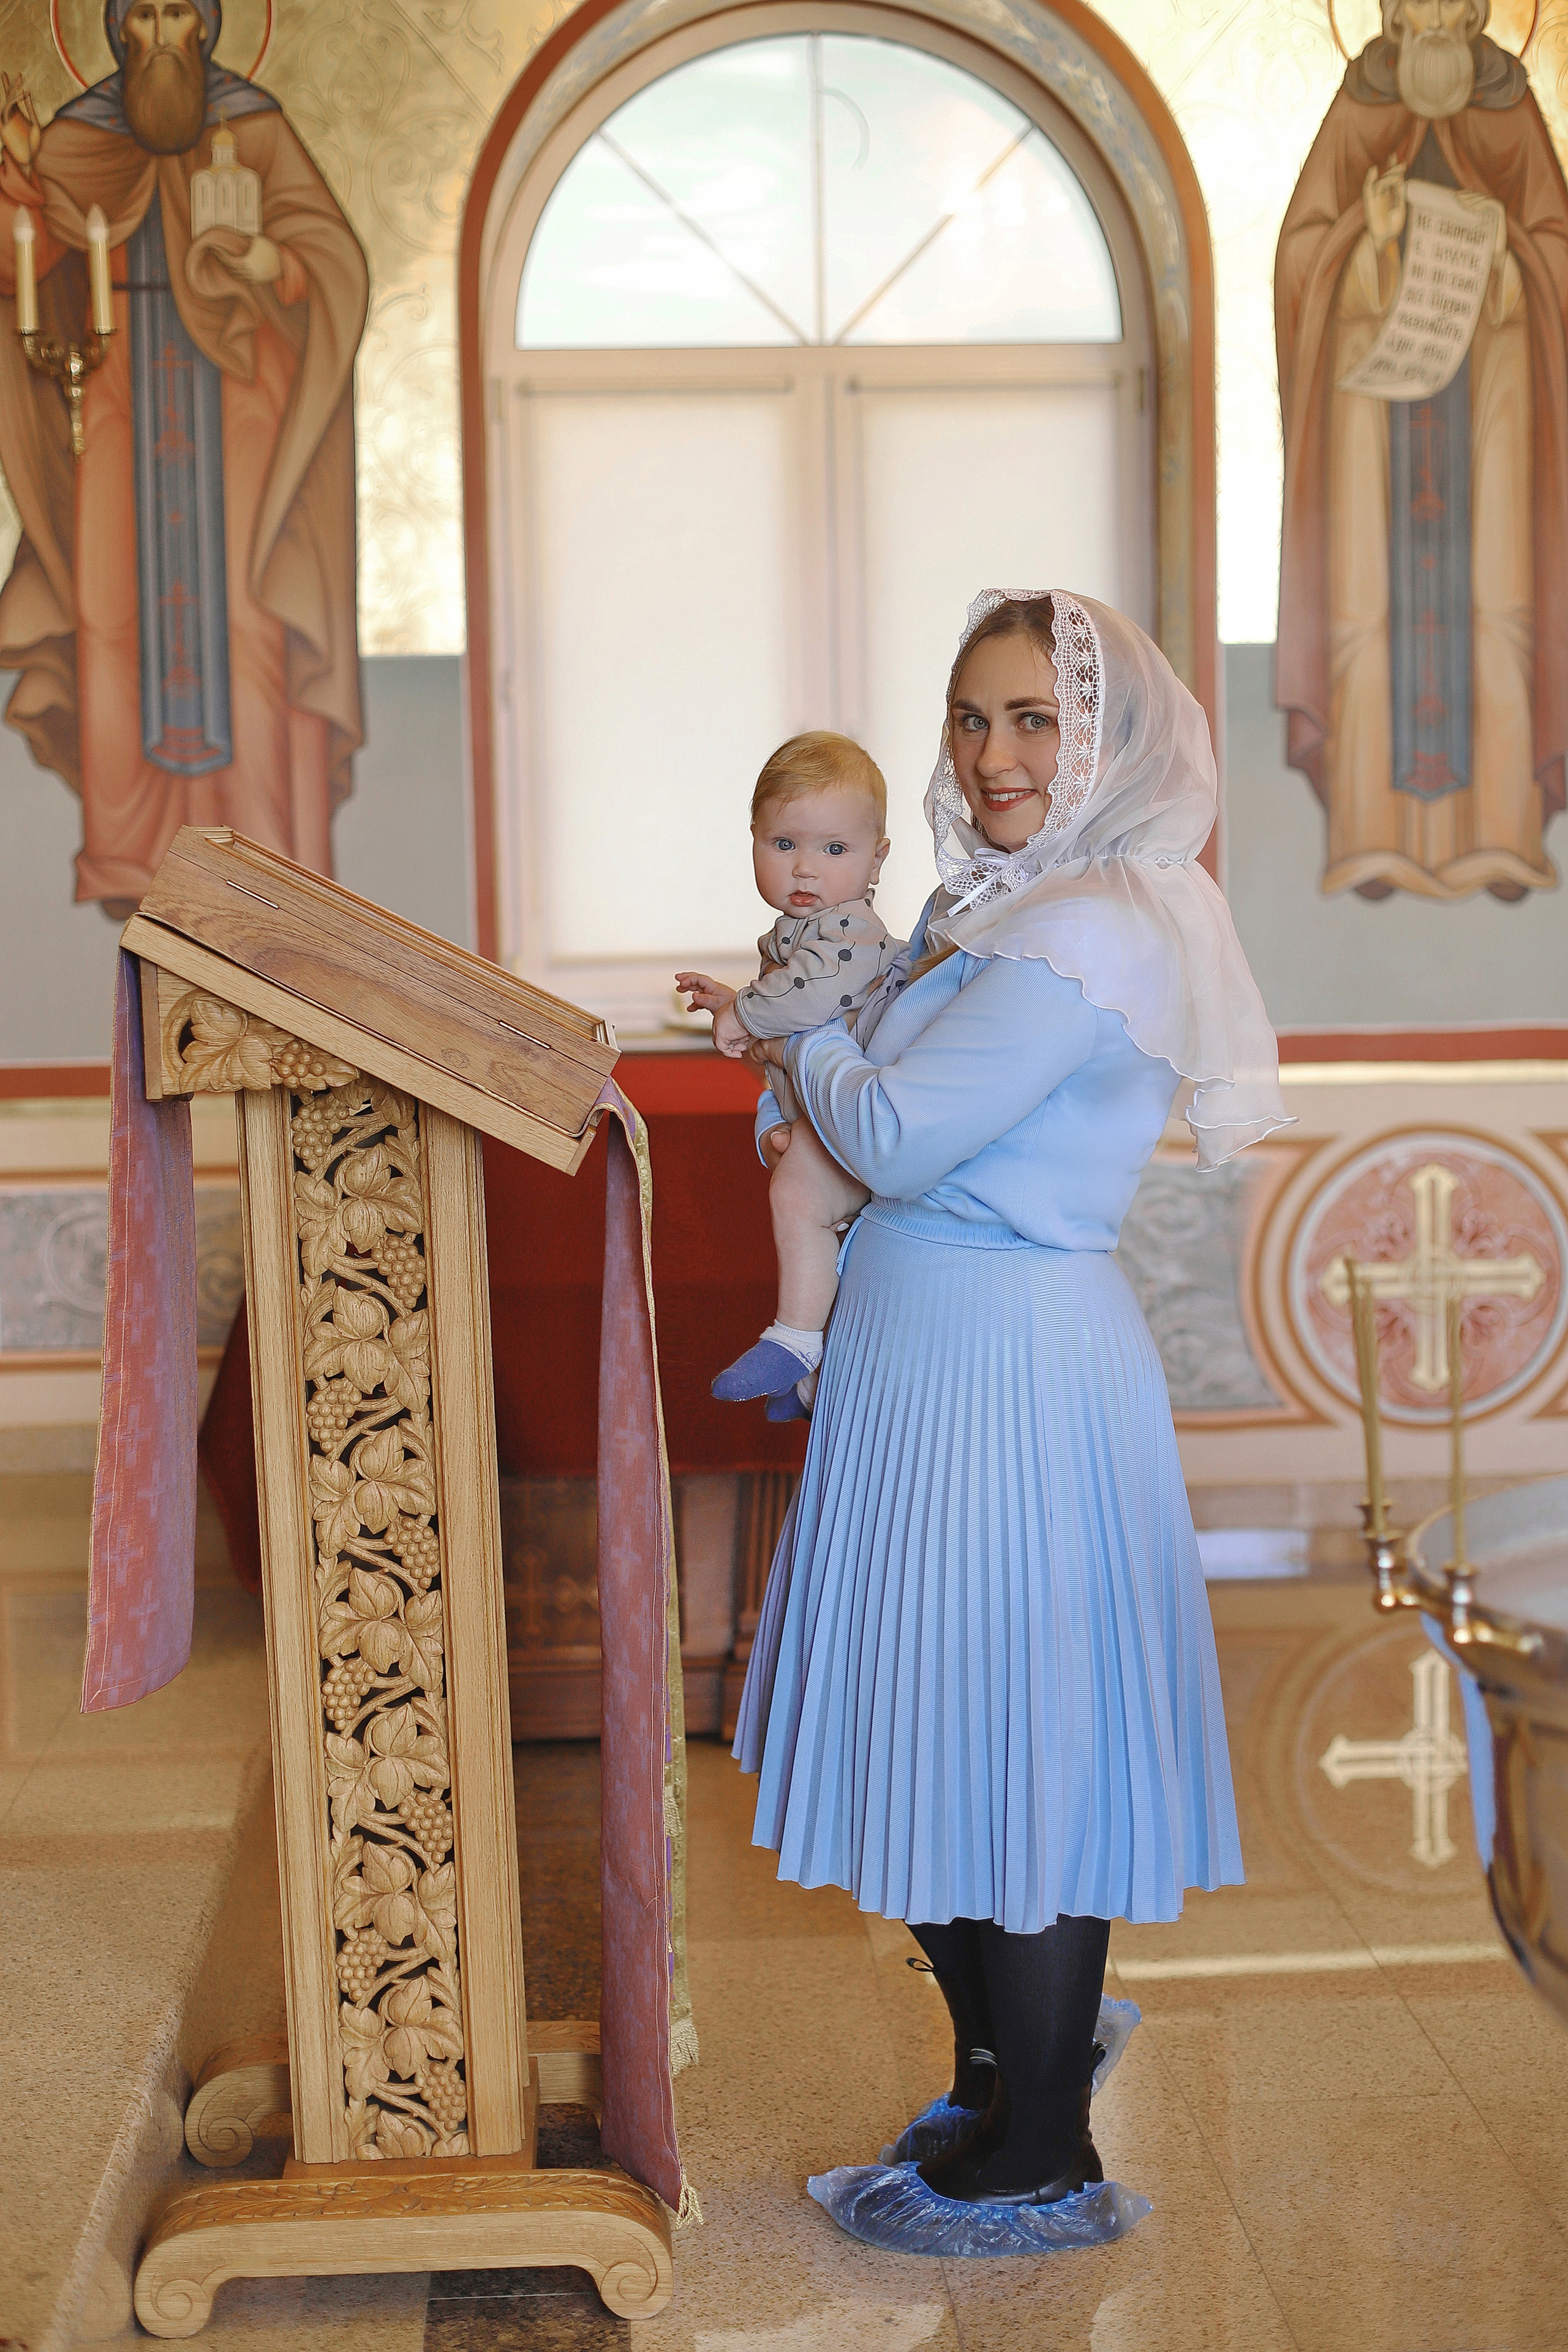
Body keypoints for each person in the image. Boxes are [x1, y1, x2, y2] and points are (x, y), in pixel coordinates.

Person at [732, 591, 1291, 2222]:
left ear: (1106, 737)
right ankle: (994, 2083)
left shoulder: (1102, 922)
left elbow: (899, 1139)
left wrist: (811, 1029)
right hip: (923, 1355)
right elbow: (866, 1134)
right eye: (973, 718)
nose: (994, 754)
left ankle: (1043, 2136)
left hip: (1013, 1363)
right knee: (949, 1726)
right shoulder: (1004, 905)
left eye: (1036, 719)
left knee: (1024, 1743)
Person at [0, 0, 366, 913]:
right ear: (116, 28)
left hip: (241, 403)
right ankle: (130, 856)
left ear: (205, 25)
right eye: (143, 15)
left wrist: (268, 263)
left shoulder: (254, 122)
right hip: (115, 394)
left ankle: (268, 856)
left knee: (250, 618)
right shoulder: (80, 137)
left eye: (177, 12)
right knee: (108, 615)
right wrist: (15, 178)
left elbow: (333, 265)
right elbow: (23, 264)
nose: (160, 33)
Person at [677, 731, 903, 1419]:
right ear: (753, 840)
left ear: (876, 859)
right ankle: (816, 1377)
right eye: (785, 845)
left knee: (799, 1203)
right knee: (823, 1230)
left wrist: (742, 1013)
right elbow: (788, 1026)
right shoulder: (799, 935)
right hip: (816, 1110)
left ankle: (796, 1340)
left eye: (834, 850)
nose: (806, 869)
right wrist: (732, 1000)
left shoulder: (853, 931)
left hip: (862, 1117)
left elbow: (806, 1002)